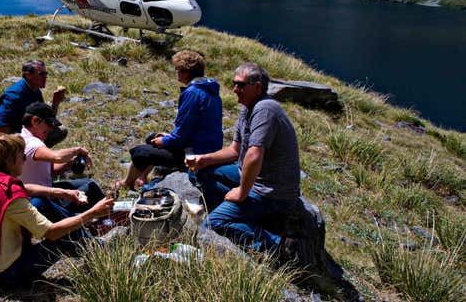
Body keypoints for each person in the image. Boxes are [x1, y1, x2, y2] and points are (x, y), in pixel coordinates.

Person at [0, 133, 114, 285]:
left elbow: (23, 188)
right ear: (10, 161)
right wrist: (92, 213)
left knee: (40, 202)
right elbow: (52, 233)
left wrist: (61, 192)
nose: (24, 160)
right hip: (2, 274)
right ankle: (100, 253)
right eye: (22, 157)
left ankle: (92, 244)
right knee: (68, 234)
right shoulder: (14, 200)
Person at [188, 62, 301, 252]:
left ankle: (276, 244)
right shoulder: (248, 108)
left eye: (240, 85)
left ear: (257, 87)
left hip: (272, 192)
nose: (234, 89)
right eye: (234, 84)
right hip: (253, 178)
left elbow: (254, 155)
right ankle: (234, 212)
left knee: (212, 225)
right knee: (198, 172)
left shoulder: (265, 109)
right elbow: (235, 150)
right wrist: (203, 159)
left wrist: (241, 192)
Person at [116, 50, 222, 190]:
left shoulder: (192, 93)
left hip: (193, 154)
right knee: (153, 138)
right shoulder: (210, 91)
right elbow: (194, 128)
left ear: (187, 72)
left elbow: (183, 131)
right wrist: (168, 137)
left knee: (140, 152)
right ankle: (142, 176)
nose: (177, 72)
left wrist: (166, 140)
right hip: (207, 148)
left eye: (179, 69)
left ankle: (127, 183)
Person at [19, 102, 105, 222]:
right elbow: (57, 156)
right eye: (48, 124)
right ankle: (103, 219)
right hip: (39, 200)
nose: (51, 128)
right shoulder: (31, 143)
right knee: (90, 187)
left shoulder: (29, 139)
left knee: (87, 184)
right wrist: (77, 150)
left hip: (41, 193)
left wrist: (71, 162)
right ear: (35, 121)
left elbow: (52, 170)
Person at [0, 59, 67, 146]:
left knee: (59, 131)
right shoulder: (13, 96)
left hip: (28, 132)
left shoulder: (35, 90)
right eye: (41, 74)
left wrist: (55, 102)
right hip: (9, 140)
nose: (45, 77)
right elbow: (2, 128)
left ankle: (39, 152)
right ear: (28, 75)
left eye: (46, 74)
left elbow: (45, 118)